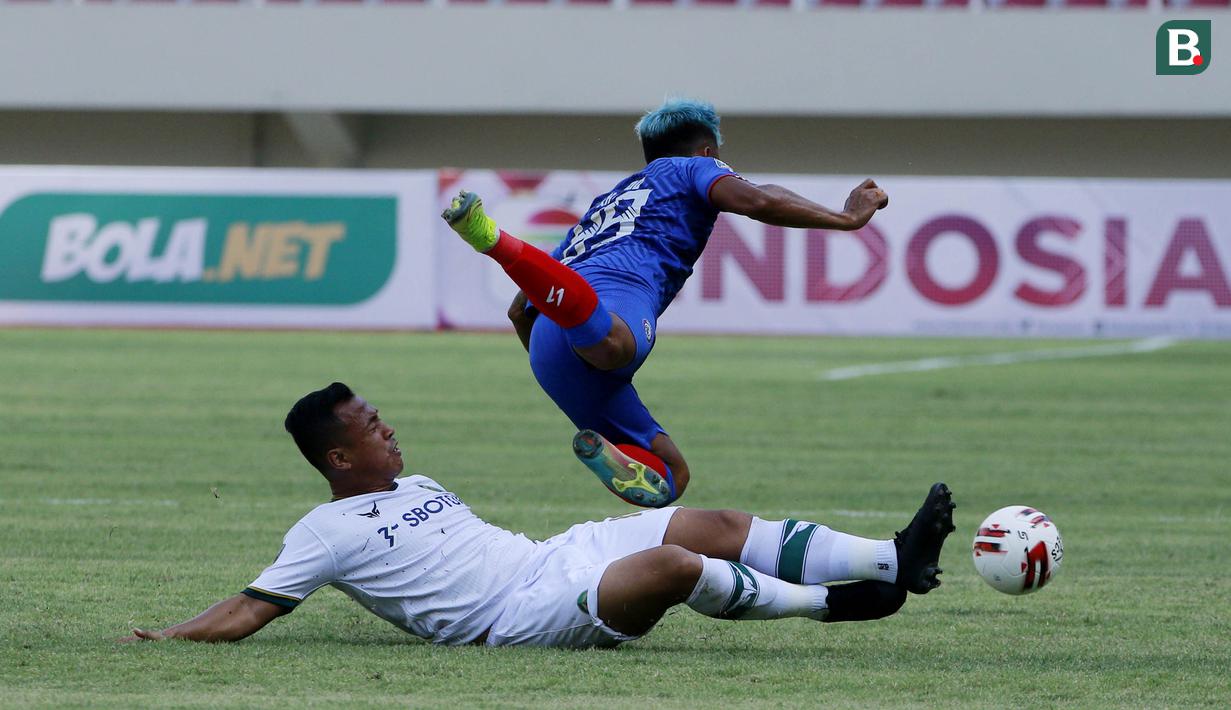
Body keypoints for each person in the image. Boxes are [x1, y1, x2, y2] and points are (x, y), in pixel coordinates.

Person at [124, 383, 955, 648]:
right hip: (519, 617)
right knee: (670, 570)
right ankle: (832, 604)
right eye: (370, 427)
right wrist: (169, 636)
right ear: (338, 459)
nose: (388, 428)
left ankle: (892, 560)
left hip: (551, 557)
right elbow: (251, 606)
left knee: (708, 522)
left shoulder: (419, 486)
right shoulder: (322, 532)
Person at [441, 97, 889, 508]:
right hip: (609, 310)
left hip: (549, 341)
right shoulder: (693, 168)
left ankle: (603, 438)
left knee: (672, 476)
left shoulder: (606, 202)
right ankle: (493, 239)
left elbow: (518, 310)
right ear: (709, 151)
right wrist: (846, 218)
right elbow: (756, 199)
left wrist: (564, 362)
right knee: (613, 345)